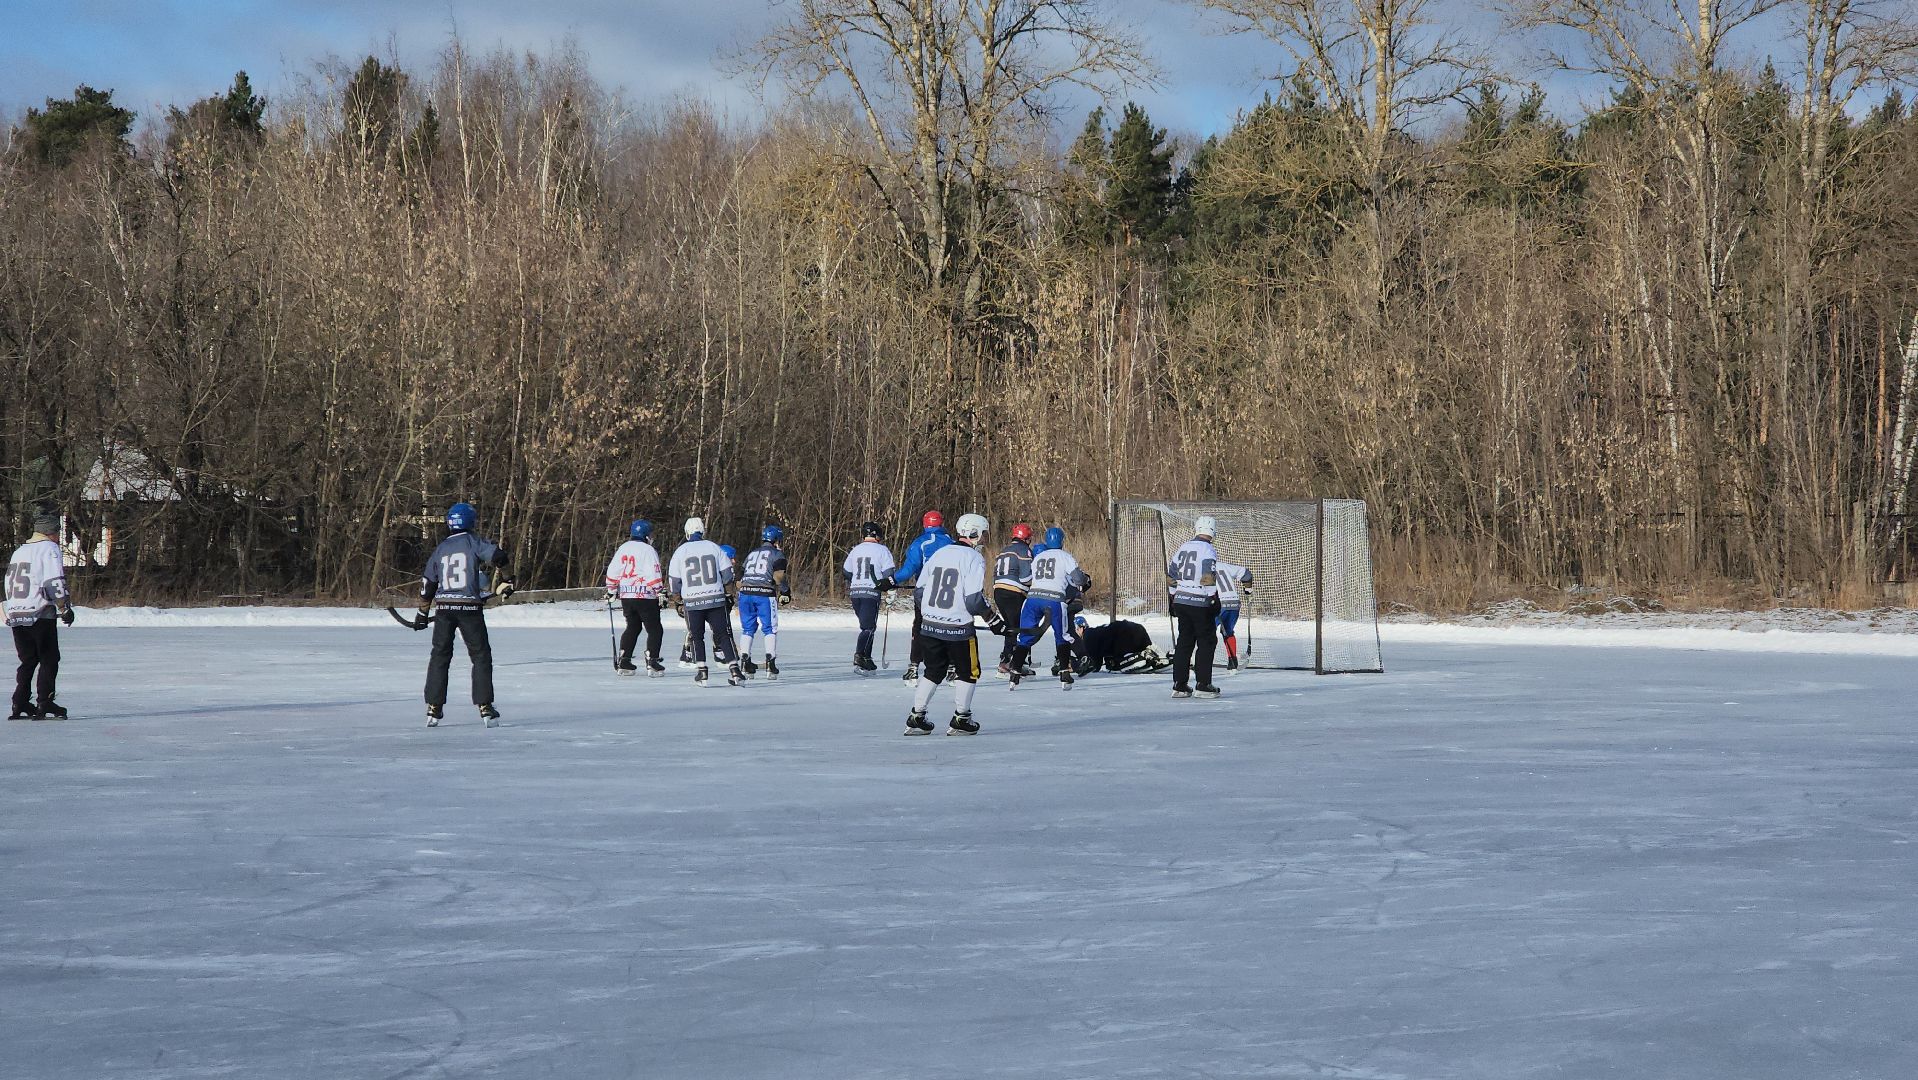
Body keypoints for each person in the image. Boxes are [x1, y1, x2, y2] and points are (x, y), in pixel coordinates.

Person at [903, 513, 1005, 736]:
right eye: (983, 533)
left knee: (933, 671)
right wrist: (993, 620)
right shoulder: (974, 559)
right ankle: (961, 718)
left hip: (929, 626)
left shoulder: (940, 553)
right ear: (974, 533)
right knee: (968, 672)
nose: (985, 538)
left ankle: (916, 717)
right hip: (958, 629)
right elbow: (973, 599)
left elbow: (919, 592)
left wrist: (933, 614)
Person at [414, 502, 515, 727]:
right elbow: (499, 556)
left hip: (444, 609)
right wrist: (508, 580)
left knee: (440, 656)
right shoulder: (473, 542)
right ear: (470, 522)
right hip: (469, 608)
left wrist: (422, 613)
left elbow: (428, 583)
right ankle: (485, 706)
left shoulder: (440, 549)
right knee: (480, 656)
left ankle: (433, 706)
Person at [6, 508, 75, 720]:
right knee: (49, 658)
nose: (58, 536)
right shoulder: (49, 549)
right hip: (39, 613)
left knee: (28, 660)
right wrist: (64, 607)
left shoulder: (20, 551)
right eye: (57, 532)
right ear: (50, 532)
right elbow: (53, 580)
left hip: (17, 613)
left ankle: (20, 701)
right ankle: (45, 702)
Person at [1007, 526, 1091, 690]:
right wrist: (1085, 581)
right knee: (1063, 636)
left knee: (1025, 636)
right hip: (1053, 599)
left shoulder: (1039, 556)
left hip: (1032, 599)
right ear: (1061, 541)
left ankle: (1015, 672)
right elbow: (1078, 579)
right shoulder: (1065, 556)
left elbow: (1028, 577)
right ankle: (1065, 674)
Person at [668, 517, 746, 687]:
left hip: (693, 601)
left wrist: (678, 600)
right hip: (715, 599)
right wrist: (728, 593)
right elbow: (727, 574)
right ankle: (735, 670)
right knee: (723, 634)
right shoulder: (713, 547)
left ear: (687, 532)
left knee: (697, 636)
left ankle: (702, 672)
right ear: (702, 531)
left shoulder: (681, 551)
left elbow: (674, 580)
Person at [883, 510, 952, 685]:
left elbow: (909, 569)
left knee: (920, 628)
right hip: (948, 592)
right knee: (947, 627)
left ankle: (914, 668)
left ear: (924, 524)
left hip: (925, 592)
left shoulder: (920, 543)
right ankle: (952, 668)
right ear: (941, 523)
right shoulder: (951, 542)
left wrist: (891, 581)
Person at [1165, 516, 1224, 698]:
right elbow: (1207, 576)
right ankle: (1203, 684)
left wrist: (1173, 596)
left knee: (1184, 642)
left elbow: (1171, 574)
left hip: (1181, 600)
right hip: (1199, 600)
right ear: (1213, 531)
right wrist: (1213, 597)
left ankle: (1180, 685)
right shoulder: (1208, 549)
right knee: (1207, 641)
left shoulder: (1183, 547)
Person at [604, 518, 667, 677]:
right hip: (645, 595)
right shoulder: (647, 550)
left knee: (633, 627)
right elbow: (653, 572)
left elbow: (613, 571)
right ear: (645, 534)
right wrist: (660, 590)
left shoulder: (623, 548)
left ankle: (624, 660)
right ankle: (652, 660)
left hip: (627, 595)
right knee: (654, 629)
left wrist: (611, 590)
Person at [737, 525, 792, 680]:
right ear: (776, 539)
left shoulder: (752, 553)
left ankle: (745, 662)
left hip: (745, 593)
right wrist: (785, 591)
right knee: (769, 628)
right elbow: (778, 576)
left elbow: (739, 578)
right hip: (764, 594)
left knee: (747, 629)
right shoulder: (777, 554)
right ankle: (770, 664)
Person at [842, 521, 895, 673]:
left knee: (868, 626)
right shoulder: (882, 550)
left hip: (855, 593)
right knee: (868, 627)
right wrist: (890, 590)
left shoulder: (855, 550)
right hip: (871, 593)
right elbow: (888, 573)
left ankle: (867, 658)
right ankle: (859, 656)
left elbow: (846, 571)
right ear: (877, 535)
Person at [991, 523, 1036, 676]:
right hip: (1014, 592)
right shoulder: (1024, 550)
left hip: (999, 591)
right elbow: (1025, 578)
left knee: (1011, 626)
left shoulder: (1004, 551)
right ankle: (1013, 661)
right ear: (1027, 538)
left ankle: (1007, 660)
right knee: (1020, 627)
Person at [1069, 614, 1169, 675]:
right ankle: (1155, 655)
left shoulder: (1087, 636)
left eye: (1077, 629)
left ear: (1081, 628)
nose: (1077, 632)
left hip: (1124, 633)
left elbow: (1095, 664)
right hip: (1137, 628)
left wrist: (1076, 666)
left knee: (1117, 665)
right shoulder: (1096, 632)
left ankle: (1142, 656)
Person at [1215, 559, 1254, 671]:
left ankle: (1199, 662)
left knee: (1206, 632)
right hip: (1234, 603)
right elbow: (1246, 574)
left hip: (1219, 604)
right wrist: (1248, 590)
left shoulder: (1202, 567)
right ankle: (1232, 661)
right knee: (1227, 631)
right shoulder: (1224, 566)